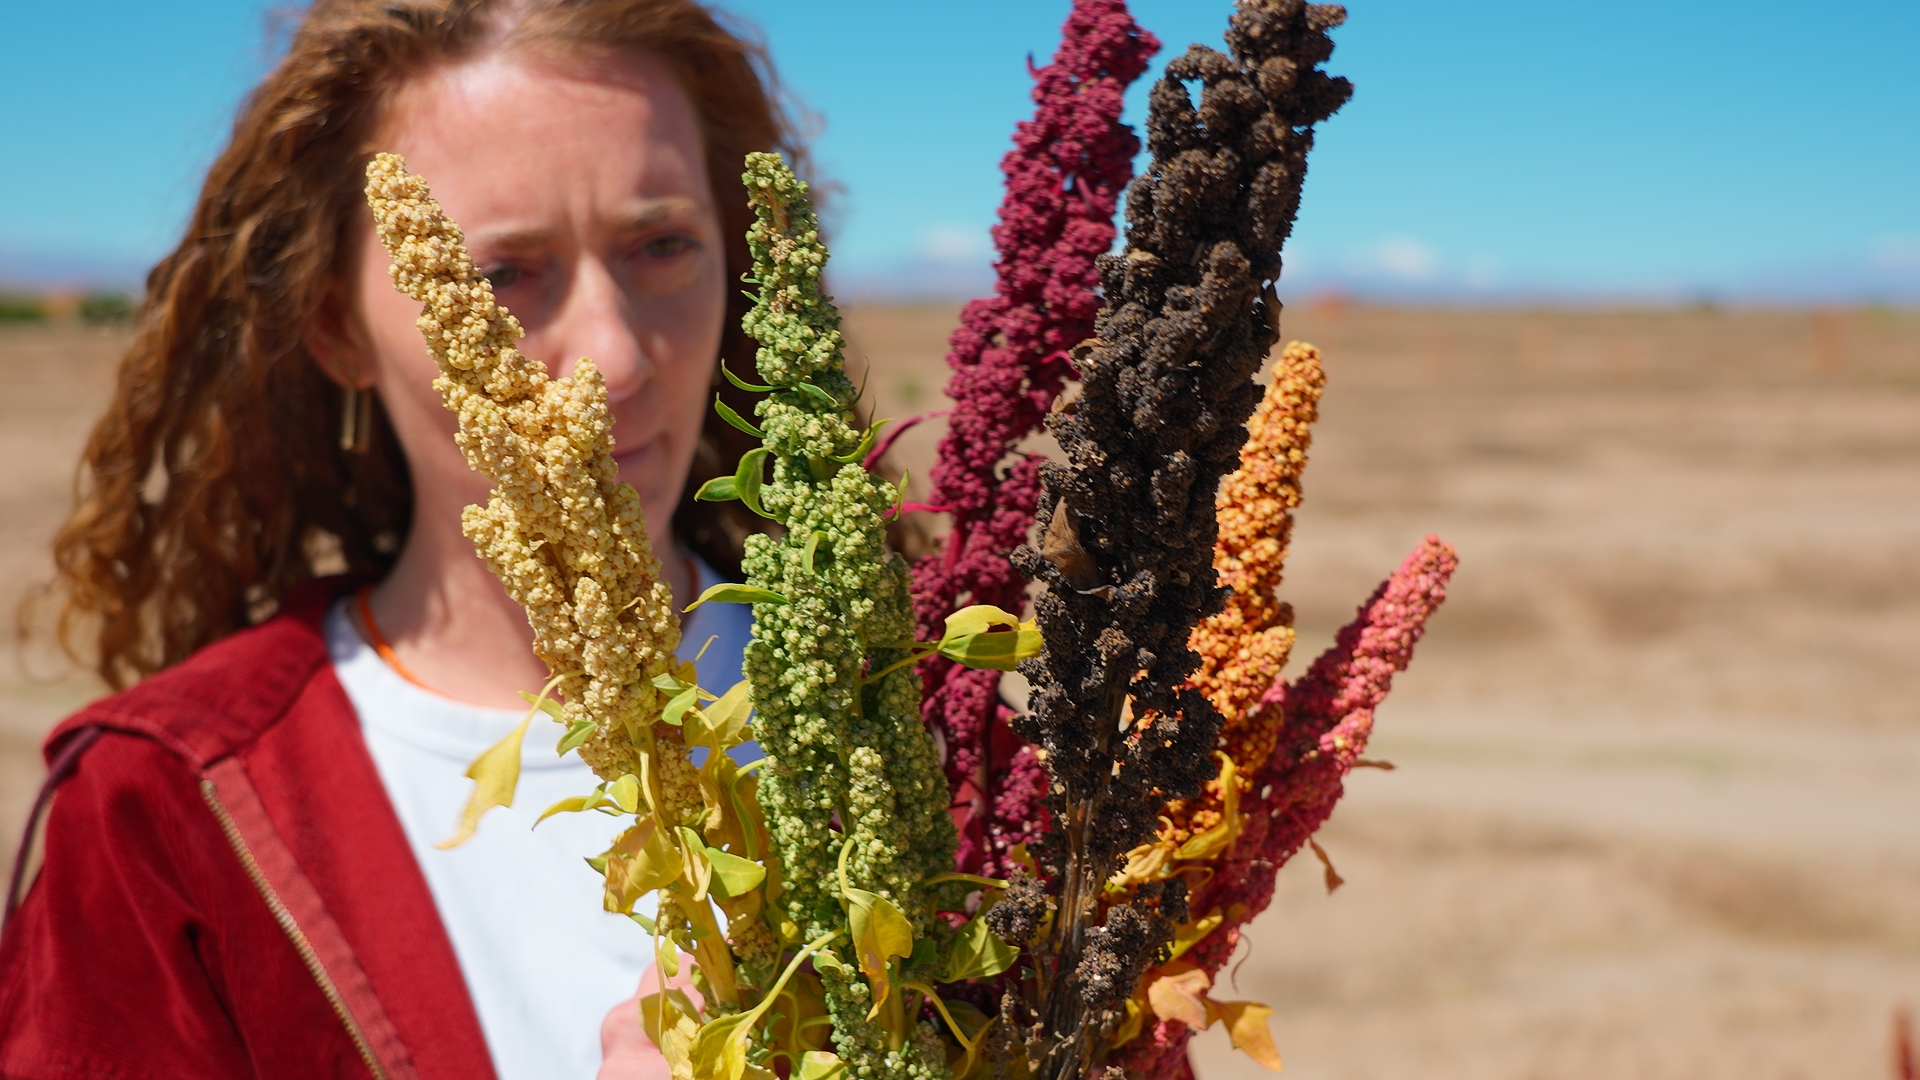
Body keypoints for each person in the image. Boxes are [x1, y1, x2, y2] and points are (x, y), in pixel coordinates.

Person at [0, 2, 798, 1077]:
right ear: (336, 327)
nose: (613, 359)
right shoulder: (163, 813)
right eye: (503, 276)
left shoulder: (913, 703)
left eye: (662, 245)